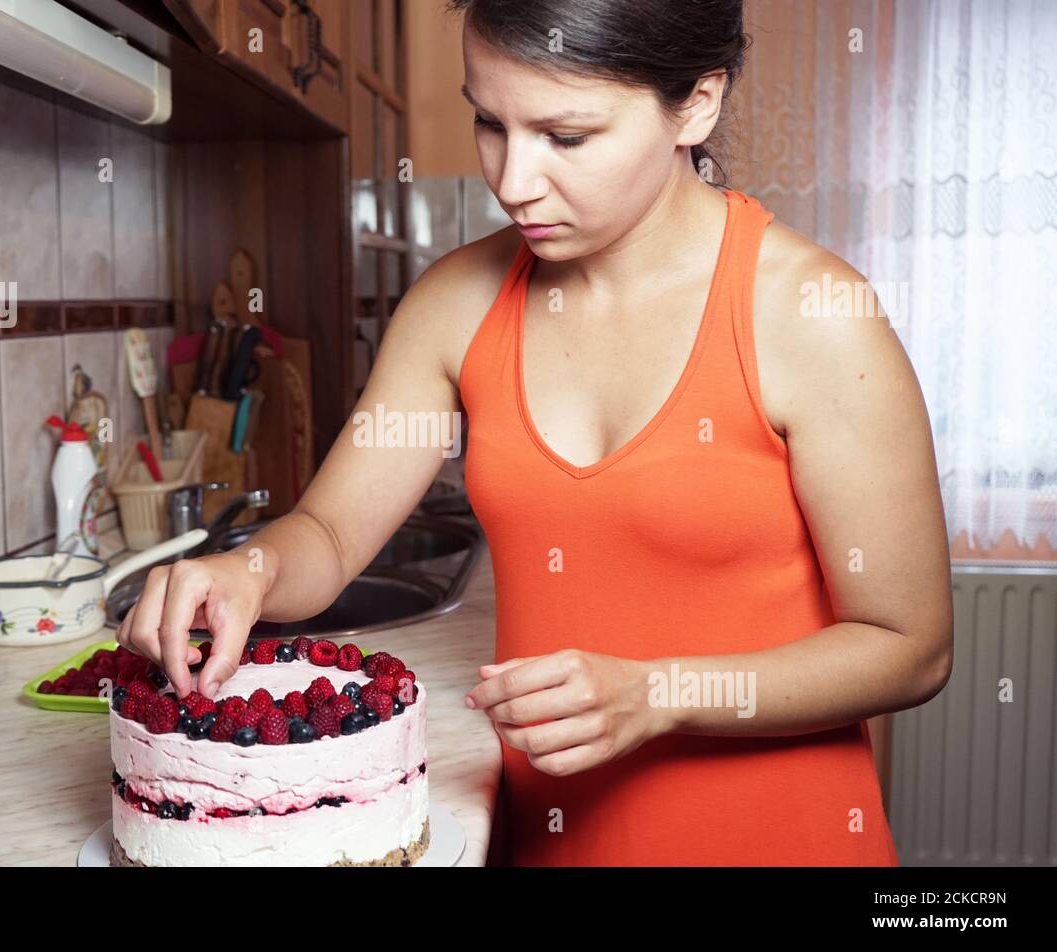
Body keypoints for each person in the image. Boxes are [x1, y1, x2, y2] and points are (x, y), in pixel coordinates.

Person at [117, 0, 953, 865]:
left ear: (697, 103)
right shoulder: (457, 302)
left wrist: (661, 694)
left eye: (567, 136)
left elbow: (910, 648)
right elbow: (330, 534)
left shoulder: (811, 317)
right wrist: (243, 569)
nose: (512, 180)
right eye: (490, 121)